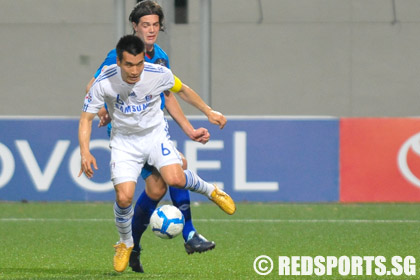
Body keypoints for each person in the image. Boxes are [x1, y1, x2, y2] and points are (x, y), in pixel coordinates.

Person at [86, 0, 224, 273]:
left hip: (153, 129)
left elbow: (168, 94)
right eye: (145, 25)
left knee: (158, 188)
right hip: (128, 134)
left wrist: (190, 128)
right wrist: (103, 108)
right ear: (134, 26)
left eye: (155, 25)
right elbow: (94, 85)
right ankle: (188, 234)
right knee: (175, 169)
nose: (150, 31)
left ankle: (132, 247)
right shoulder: (123, 55)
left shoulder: (159, 55)